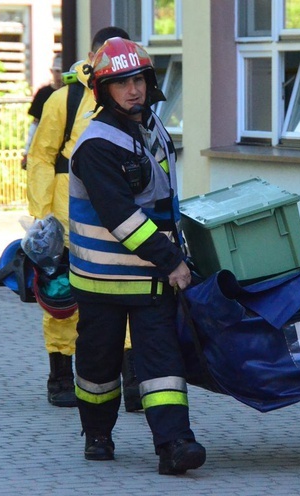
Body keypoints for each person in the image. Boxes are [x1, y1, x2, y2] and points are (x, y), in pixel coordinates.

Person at [68, 37, 206, 475]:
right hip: (103, 281)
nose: (134, 89)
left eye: (139, 79)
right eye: (122, 82)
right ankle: (97, 433)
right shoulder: (96, 144)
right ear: (104, 90)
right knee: (98, 365)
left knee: (163, 364)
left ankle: (175, 444)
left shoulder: (151, 127)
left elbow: (164, 200)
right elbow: (121, 217)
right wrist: (172, 260)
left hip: (150, 279)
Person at [25, 26, 142, 409]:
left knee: (127, 293)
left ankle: (132, 379)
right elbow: (42, 155)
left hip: (119, 220)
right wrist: (43, 217)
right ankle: (60, 375)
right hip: (66, 219)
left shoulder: (133, 103)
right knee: (61, 299)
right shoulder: (66, 99)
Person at [21, 54, 63, 170]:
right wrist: (27, 151)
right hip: (44, 148)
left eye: (62, 71)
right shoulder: (43, 93)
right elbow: (35, 123)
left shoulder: (72, 94)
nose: (59, 76)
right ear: (51, 71)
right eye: (57, 71)